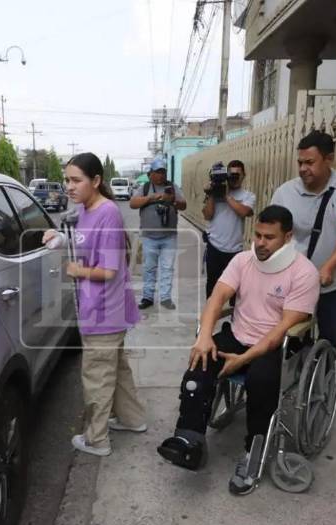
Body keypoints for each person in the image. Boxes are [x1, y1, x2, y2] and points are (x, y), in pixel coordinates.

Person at [157, 206, 319, 495]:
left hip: (276, 345)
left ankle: (252, 455)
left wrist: (243, 360)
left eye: (269, 237)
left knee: (261, 381)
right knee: (199, 365)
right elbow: (218, 296)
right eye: (257, 234)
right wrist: (205, 336)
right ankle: (189, 440)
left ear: (288, 237)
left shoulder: (304, 272)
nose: (260, 242)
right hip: (238, 334)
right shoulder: (243, 261)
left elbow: (282, 330)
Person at [42, 153, 145, 457]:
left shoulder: (108, 213)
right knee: (118, 369)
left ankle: (97, 439)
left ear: (96, 181)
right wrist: (60, 238)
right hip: (99, 309)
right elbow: (85, 242)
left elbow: (109, 270)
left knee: (97, 377)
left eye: (76, 180)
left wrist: (77, 270)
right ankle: (132, 419)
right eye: (67, 180)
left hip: (103, 311)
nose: (69, 186)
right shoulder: (85, 210)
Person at [270, 130, 336, 350]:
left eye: (310, 162)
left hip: (335, 283)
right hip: (294, 284)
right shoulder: (285, 192)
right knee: (289, 341)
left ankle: (324, 379)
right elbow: (272, 235)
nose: (303, 168)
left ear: (329, 159)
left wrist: (329, 268)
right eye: (300, 162)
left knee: (330, 341)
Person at [130, 157, 187, 310]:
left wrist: (173, 200)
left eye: (163, 172)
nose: (161, 175)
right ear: (150, 174)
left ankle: (165, 298)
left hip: (169, 236)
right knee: (149, 268)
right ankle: (147, 297)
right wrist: (151, 198)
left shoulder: (172, 187)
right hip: (149, 237)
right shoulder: (145, 188)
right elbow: (132, 203)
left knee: (167, 268)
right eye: (158, 172)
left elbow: (184, 205)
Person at [202, 159, 256, 300]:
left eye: (237, 175)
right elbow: (207, 215)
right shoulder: (215, 194)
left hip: (234, 250)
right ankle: (211, 317)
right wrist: (212, 193)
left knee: (234, 287)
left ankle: (231, 319)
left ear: (244, 175)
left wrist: (226, 196)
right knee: (212, 284)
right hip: (214, 246)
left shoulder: (248, 196)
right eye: (230, 175)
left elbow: (244, 212)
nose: (233, 178)